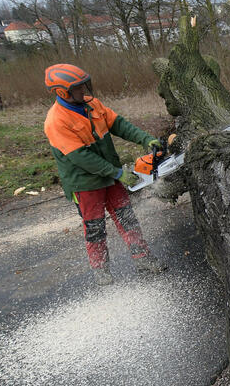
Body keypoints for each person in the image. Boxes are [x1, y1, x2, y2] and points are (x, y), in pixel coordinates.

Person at [43, 63, 164, 285]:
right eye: (78, 88)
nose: (84, 91)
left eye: (84, 86)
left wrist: (146, 138)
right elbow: (81, 157)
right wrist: (117, 173)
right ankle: (101, 270)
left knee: (127, 217)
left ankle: (143, 258)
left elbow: (119, 125)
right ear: (62, 92)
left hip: (111, 175)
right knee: (95, 226)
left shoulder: (92, 105)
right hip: (85, 183)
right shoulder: (56, 121)